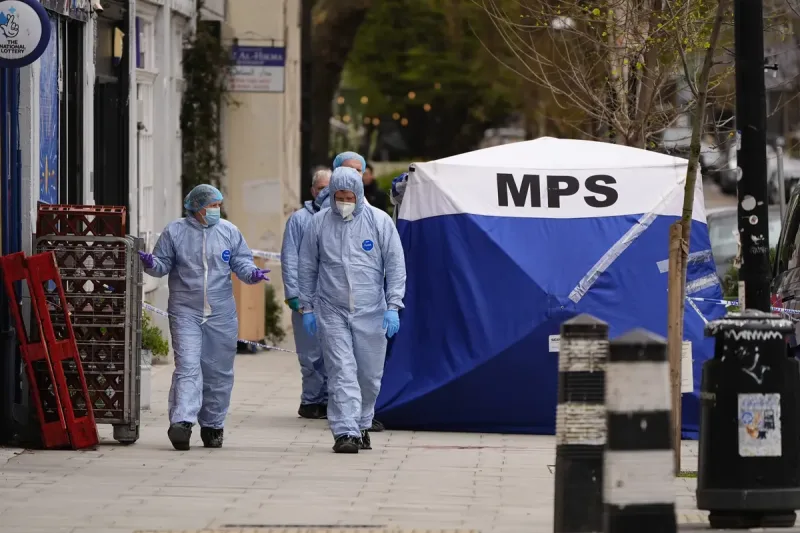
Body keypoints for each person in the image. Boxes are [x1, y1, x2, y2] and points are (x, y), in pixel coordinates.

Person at [138, 184, 270, 451]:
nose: (215, 210)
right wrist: (150, 264)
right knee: (187, 365)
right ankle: (182, 422)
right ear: (196, 207)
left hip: (221, 313)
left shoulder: (229, 232)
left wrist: (252, 274)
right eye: (211, 206)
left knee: (218, 371)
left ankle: (212, 425)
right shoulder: (175, 231)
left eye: (218, 205)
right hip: (186, 310)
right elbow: (162, 265)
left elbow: (241, 262)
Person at [298, 167, 406, 454]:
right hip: (331, 309)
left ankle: (361, 423)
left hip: (371, 310)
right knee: (342, 372)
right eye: (338, 196)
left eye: (349, 196)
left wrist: (393, 305)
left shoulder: (379, 222)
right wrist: (307, 307)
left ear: (359, 194)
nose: (344, 201)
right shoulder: (319, 223)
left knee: (369, 377)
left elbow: (395, 266)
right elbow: (307, 266)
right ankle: (345, 431)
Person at [281, 168, 331, 420]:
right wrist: (294, 294)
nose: (326, 193)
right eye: (321, 188)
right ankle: (311, 400)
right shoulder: (300, 219)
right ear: (313, 191)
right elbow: (290, 257)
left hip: (333, 297)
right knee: (310, 353)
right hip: (307, 298)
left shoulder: (338, 218)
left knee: (332, 352)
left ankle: (329, 399)